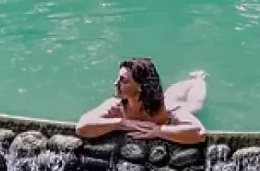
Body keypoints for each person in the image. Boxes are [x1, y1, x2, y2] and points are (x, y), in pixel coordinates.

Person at [76, 58, 207, 144]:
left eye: (124, 80)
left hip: (169, 102)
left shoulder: (167, 109)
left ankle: (199, 79)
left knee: (195, 104)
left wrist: (159, 131)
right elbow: (82, 127)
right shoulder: (116, 106)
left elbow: (199, 132)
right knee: (171, 92)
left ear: (141, 86)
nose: (116, 83)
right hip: (151, 99)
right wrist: (121, 123)